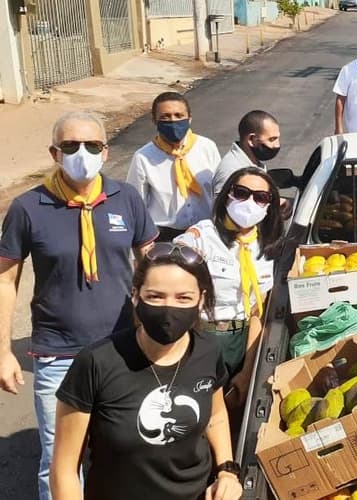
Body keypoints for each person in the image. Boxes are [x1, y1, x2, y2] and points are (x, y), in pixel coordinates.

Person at [0, 111, 157, 500]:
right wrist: (3, 351)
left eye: (91, 145)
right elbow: (5, 280)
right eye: (70, 146)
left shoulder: (127, 199)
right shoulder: (28, 207)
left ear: (106, 152)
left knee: (124, 451)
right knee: (59, 461)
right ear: (54, 152)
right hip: (57, 355)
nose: (81, 153)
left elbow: (152, 265)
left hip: (123, 351)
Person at [50, 243, 243, 500]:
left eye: (183, 297)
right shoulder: (97, 362)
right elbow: (64, 468)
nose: (168, 309)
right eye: (155, 296)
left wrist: (226, 471)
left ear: (201, 300)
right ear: (135, 295)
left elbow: (216, 414)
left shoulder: (207, 350)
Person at [175, 167, 283, 413]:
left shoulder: (266, 246)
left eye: (260, 197)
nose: (249, 202)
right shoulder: (201, 237)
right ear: (227, 196)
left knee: (232, 417)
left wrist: (246, 373)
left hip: (241, 340)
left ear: (269, 206)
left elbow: (257, 311)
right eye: (241, 193)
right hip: (201, 338)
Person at [127, 91, 221, 242]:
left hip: (205, 233)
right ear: (154, 120)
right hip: (164, 236)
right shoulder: (143, 157)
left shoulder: (207, 147)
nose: (172, 121)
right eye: (165, 117)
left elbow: (219, 190)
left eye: (178, 115)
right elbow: (137, 206)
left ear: (189, 118)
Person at [213, 110, 281, 195]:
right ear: (251, 140)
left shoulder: (252, 162)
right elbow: (220, 206)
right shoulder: (231, 171)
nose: (277, 145)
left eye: (278, 138)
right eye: (272, 139)